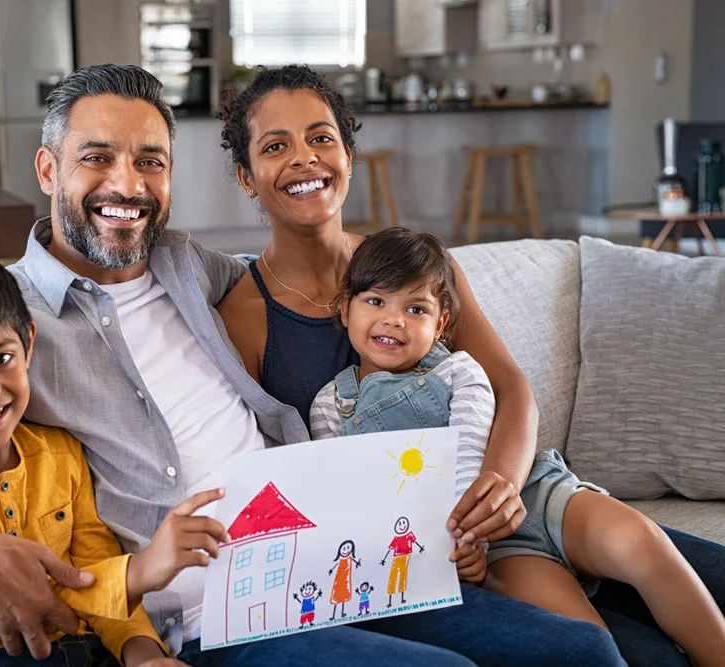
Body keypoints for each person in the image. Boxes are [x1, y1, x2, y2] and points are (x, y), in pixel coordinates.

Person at [0, 65, 475, 667]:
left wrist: (415, 279)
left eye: (150, 161)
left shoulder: (193, 265)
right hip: (209, 617)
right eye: (98, 157)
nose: (127, 184)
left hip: (332, 560)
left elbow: (318, 285)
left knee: (577, 650)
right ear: (48, 169)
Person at [215, 64, 725, 666]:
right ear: (247, 178)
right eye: (276, 147)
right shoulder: (244, 315)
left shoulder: (419, 266)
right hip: (437, 550)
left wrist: (503, 488)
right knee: (618, 652)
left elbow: (510, 387)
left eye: (322, 137)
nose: (305, 158)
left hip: (525, 496)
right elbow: (291, 481)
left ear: (349, 156)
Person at [310, 227, 725, 665]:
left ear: (441, 324)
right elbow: (353, 499)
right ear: (344, 308)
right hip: (496, 548)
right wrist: (461, 549)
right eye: (376, 301)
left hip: (539, 494)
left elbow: (469, 459)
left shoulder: (461, 373)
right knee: (585, 640)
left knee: (641, 542)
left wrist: (468, 533)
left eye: (416, 308)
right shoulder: (331, 406)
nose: (395, 319)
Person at [0, 241, 236, 666]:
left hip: (83, 653)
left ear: (28, 343)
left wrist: (143, 654)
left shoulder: (59, 453)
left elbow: (96, 560)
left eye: (0, 359)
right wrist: (140, 572)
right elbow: (14, 601)